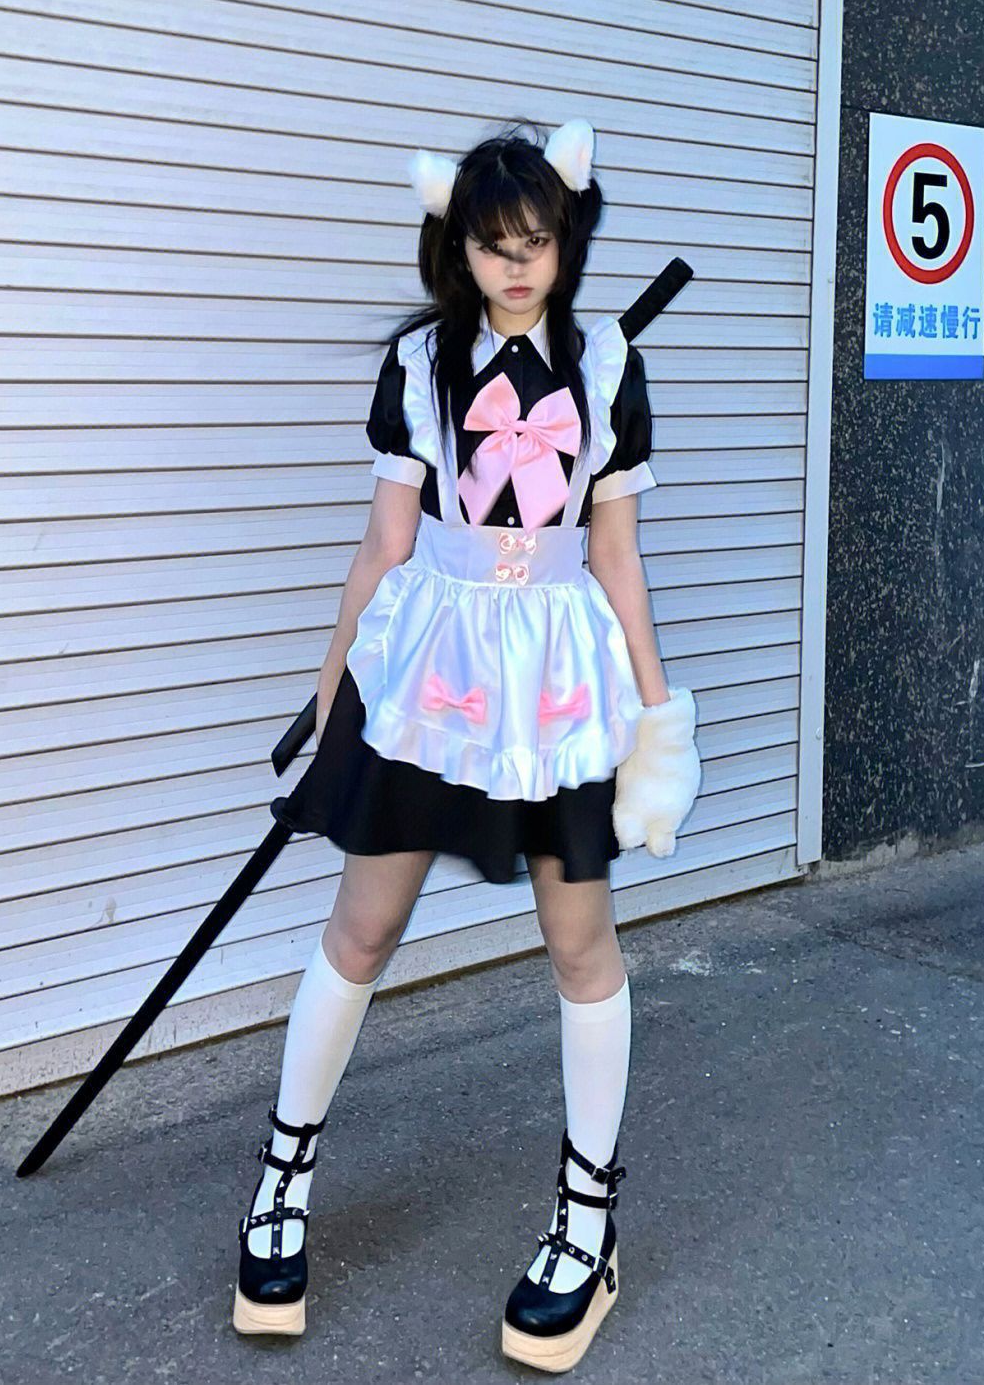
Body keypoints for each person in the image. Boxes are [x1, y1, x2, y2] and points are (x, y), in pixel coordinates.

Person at [232, 117, 701, 1372]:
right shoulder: (416, 363)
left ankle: (589, 1223)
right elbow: (385, 544)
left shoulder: (607, 365)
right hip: (434, 664)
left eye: (537, 238)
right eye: (495, 243)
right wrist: (332, 692)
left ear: (568, 240)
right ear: (460, 248)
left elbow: (617, 558)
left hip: (555, 679)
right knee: (362, 927)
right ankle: (280, 1183)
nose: (517, 263)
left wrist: (658, 717)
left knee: (580, 943)